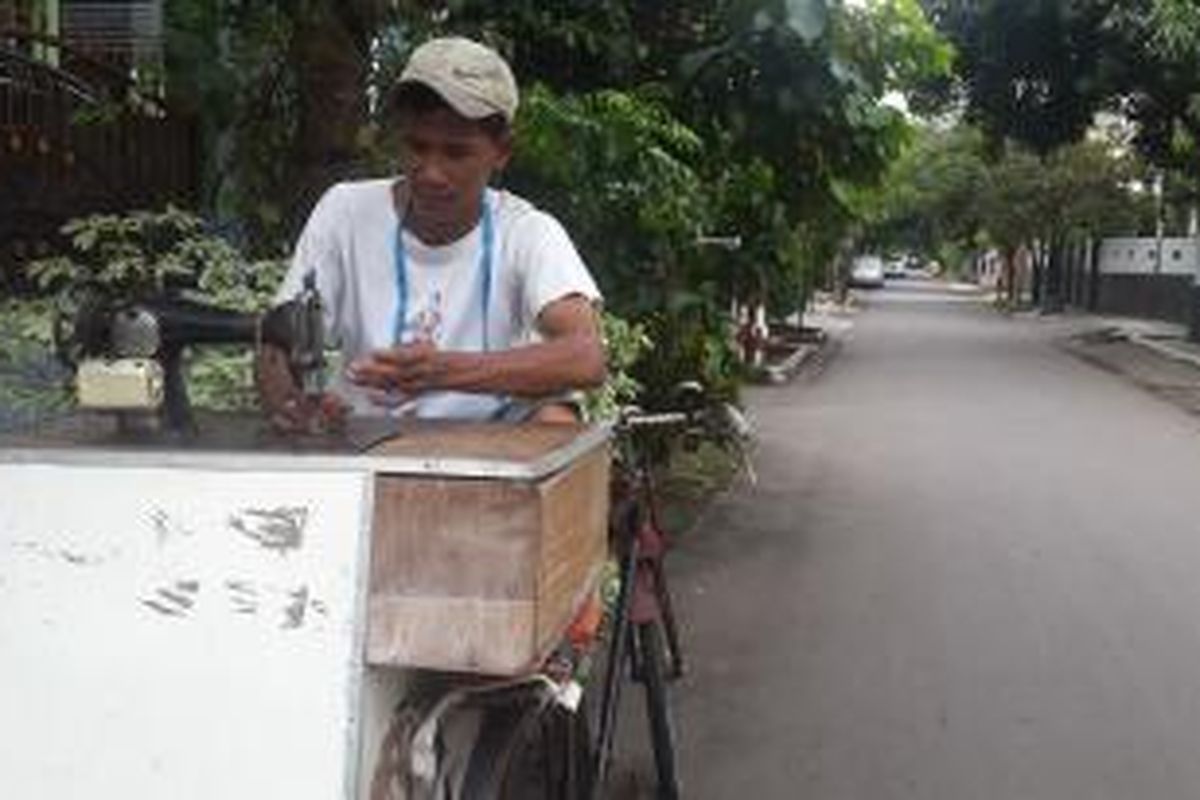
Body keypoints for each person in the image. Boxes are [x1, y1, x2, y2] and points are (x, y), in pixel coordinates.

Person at [258, 36, 605, 428]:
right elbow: (277, 342)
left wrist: (443, 373)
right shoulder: (346, 212)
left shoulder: (528, 233)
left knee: (557, 420)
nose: (431, 172)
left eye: (456, 153)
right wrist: (290, 404)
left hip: (494, 443)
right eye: (416, 146)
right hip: (364, 436)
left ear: (502, 151)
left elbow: (585, 357)